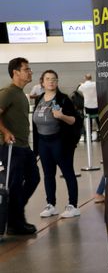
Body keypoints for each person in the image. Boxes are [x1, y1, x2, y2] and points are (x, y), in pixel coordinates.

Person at [33, 70, 82, 219]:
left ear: (57, 82)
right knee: (48, 174)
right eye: (48, 79)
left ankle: (73, 206)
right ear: (42, 82)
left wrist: (61, 116)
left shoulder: (63, 99)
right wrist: (36, 149)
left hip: (60, 142)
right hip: (43, 142)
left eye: (54, 79)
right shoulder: (40, 99)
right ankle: (51, 205)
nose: (51, 82)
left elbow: (76, 120)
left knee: (68, 173)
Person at [0, 58, 40, 235]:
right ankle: (16, 221)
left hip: (24, 146)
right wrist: (5, 131)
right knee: (15, 185)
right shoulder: (7, 92)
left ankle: (12, 216)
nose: (30, 72)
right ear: (16, 72)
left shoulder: (21, 94)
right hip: (11, 148)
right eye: (26, 69)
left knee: (33, 178)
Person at [78, 73, 99, 141]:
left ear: (85, 78)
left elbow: (79, 90)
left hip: (88, 105)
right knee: (97, 119)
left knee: (89, 120)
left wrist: (81, 84)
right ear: (91, 78)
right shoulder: (95, 84)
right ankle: (100, 132)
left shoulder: (83, 86)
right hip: (96, 105)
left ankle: (89, 135)